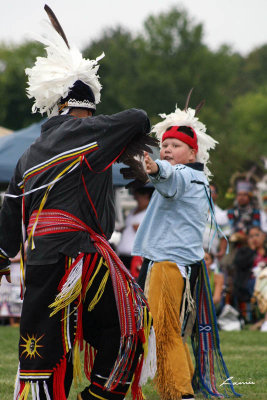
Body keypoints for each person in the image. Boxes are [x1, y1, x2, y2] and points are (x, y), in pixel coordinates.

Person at [0, 7, 156, 400]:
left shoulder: (29, 152)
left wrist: (3, 256)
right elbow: (138, 117)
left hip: (40, 260)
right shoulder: (85, 133)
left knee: (48, 349)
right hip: (78, 256)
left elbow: (10, 210)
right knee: (129, 320)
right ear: (85, 109)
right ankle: (101, 394)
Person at [132, 102, 239, 400]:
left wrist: (156, 168)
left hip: (170, 264)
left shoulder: (187, 175)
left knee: (164, 333)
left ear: (193, 153)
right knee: (168, 333)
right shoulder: (195, 177)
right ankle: (177, 389)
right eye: (164, 144)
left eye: (175, 145)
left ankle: (181, 393)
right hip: (172, 263)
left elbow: (170, 179)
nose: (166, 149)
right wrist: (159, 169)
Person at [117, 187, 154, 271]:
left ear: (146, 196)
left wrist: (140, 229)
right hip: (123, 254)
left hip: (136, 256)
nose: (136, 199)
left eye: (138, 197)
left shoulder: (150, 213)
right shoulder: (132, 211)